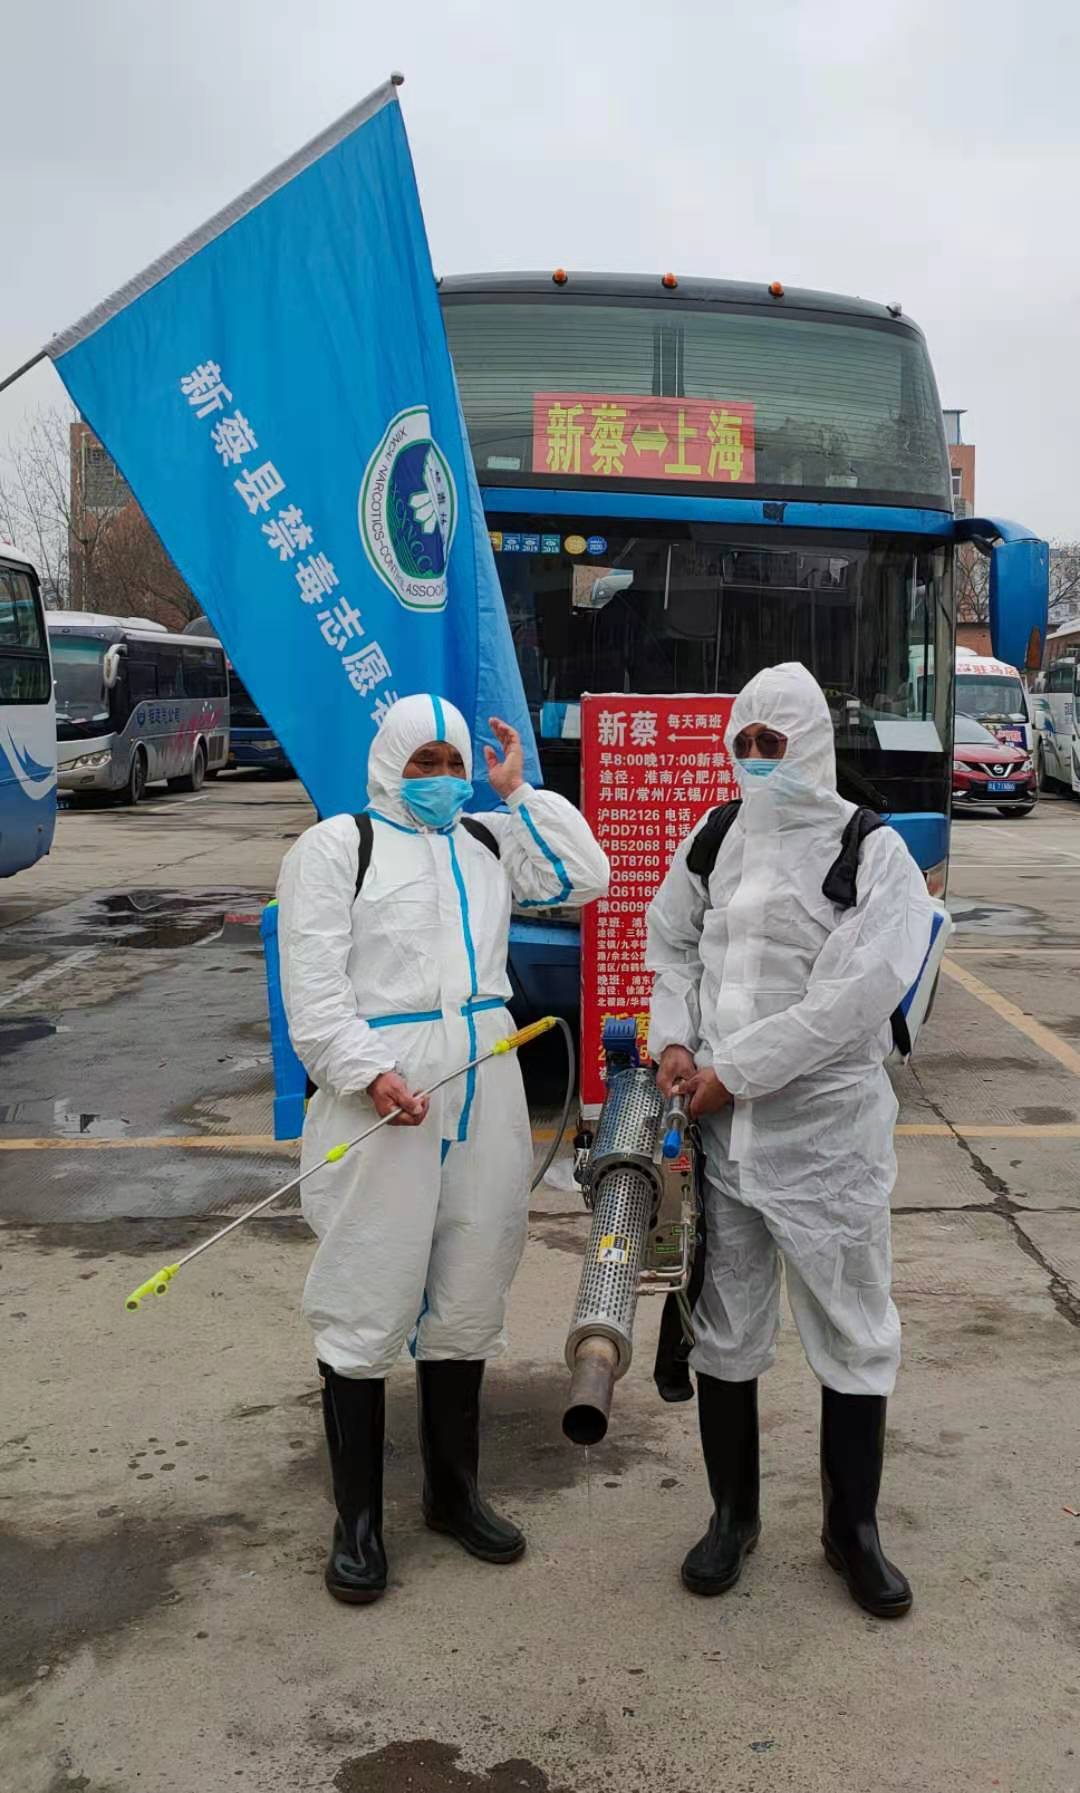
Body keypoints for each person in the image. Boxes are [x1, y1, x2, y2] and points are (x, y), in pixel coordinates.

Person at [277, 694, 608, 1605]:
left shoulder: (488, 840)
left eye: (452, 763)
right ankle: (356, 1523)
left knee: (472, 1275)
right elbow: (314, 986)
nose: (440, 779)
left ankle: (453, 1494)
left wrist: (520, 791)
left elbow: (584, 875)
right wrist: (365, 1070)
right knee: (368, 1283)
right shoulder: (338, 847)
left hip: (485, 1074)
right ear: (390, 762)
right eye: (424, 762)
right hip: (385, 1085)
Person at [645, 662, 935, 1619]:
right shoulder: (716, 834)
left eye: (774, 742)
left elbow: (852, 1000)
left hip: (825, 1141)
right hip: (724, 1140)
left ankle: (852, 1530)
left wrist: (736, 1071)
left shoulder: (870, 850)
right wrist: (676, 1039)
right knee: (725, 1328)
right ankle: (734, 1515)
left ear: (810, 741)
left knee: (852, 1328)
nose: (758, 758)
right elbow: (671, 942)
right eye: (745, 743)